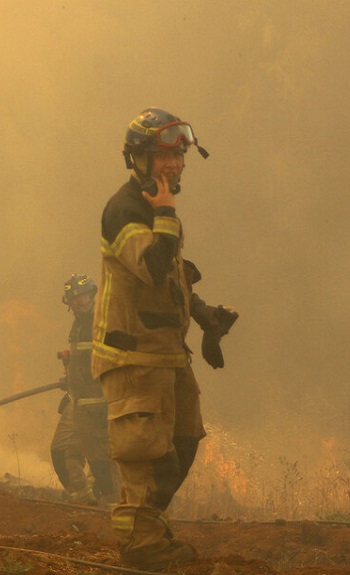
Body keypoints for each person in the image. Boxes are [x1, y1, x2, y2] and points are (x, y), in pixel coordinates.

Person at [91, 107, 238, 570]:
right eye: (163, 157)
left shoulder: (156, 208)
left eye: (178, 158)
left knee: (184, 443)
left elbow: (173, 277)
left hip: (168, 356)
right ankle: (142, 549)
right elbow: (153, 267)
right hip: (133, 359)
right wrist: (168, 215)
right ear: (138, 158)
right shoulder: (126, 210)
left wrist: (204, 314)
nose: (173, 166)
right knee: (146, 457)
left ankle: (149, 527)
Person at [49, 274, 118, 506]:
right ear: (68, 303)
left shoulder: (103, 321)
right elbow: (83, 361)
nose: (79, 302)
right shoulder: (78, 324)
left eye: (84, 296)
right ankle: (82, 498)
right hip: (77, 400)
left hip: (101, 403)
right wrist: (69, 379)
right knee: (60, 450)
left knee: (103, 459)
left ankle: (111, 503)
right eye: (74, 299)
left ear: (93, 295)